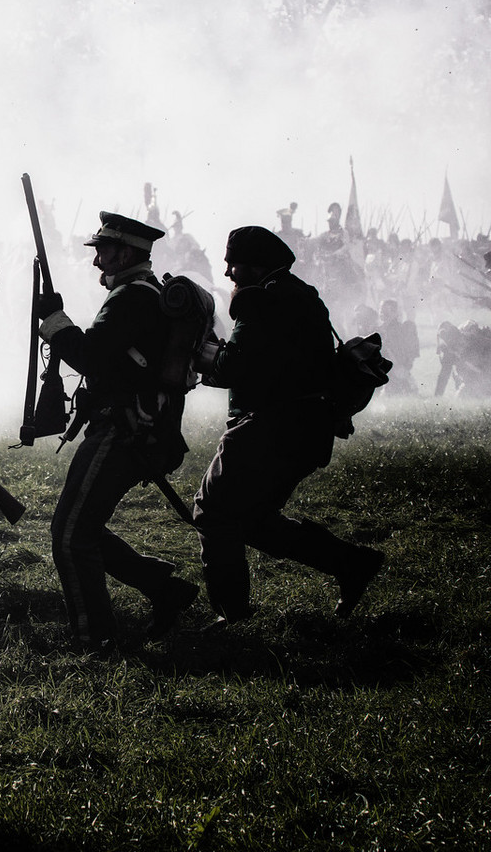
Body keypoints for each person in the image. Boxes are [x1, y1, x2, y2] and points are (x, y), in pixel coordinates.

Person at [193, 225, 385, 626]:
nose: (228, 274)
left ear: (257, 266)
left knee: (214, 511)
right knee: (254, 520)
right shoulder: (299, 294)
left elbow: (233, 367)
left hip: (270, 427)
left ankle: (232, 618)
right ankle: (352, 563)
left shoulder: (259, 300)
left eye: (235, 265)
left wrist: (200, 348)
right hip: (304, 430)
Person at [32, 212, 201, 648]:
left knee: (70, 533)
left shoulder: (131, 297)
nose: (96, 261)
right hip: (135, 426)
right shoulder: (145, 293)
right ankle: (165, 589)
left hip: (125, 429)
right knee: (80, 527)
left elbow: (91, 358)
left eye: (103, 251)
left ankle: (95, 638)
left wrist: (54, 321)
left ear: (126, 252)